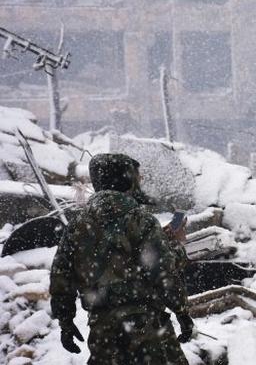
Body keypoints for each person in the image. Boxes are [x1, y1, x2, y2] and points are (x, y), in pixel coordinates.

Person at [50, 153, 194, 364]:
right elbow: (164, 272)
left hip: (103, 331)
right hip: (148, 328)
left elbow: (61, 275)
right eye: (137, 178)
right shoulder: (141, 219)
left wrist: (65, 321)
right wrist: (181, 311)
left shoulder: (78, 224)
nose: (140, 183)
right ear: (126, 180)